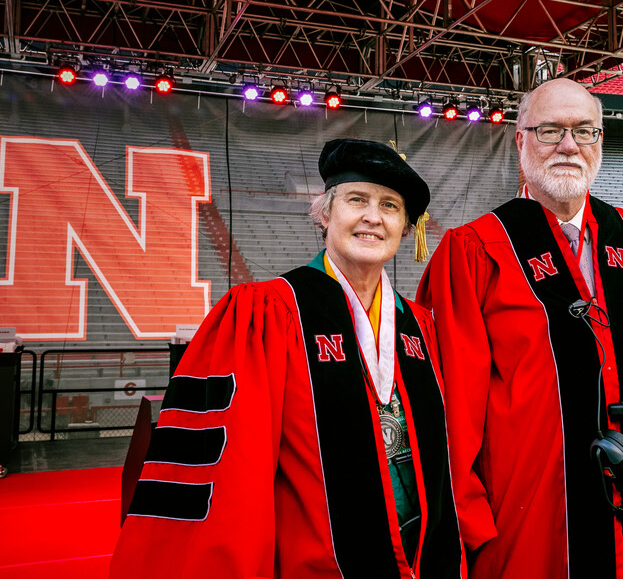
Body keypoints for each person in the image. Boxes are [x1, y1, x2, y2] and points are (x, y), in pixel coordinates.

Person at [417, 79, 623, 579]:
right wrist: (467, 523)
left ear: (600, 140)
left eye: (584, 131)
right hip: (527, 523)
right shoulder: (473, 253)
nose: (569, 146)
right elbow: (447, 409)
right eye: (550, 130)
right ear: (520, 140)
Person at [111, 139, 464, 579]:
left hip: (425, 556)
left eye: (391, 206)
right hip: (317, 562)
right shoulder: (267, 314)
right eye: (358, 200)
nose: (374, 217)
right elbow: (231, 476)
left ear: (408, 228)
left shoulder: (419, 326)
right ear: (324, 214)